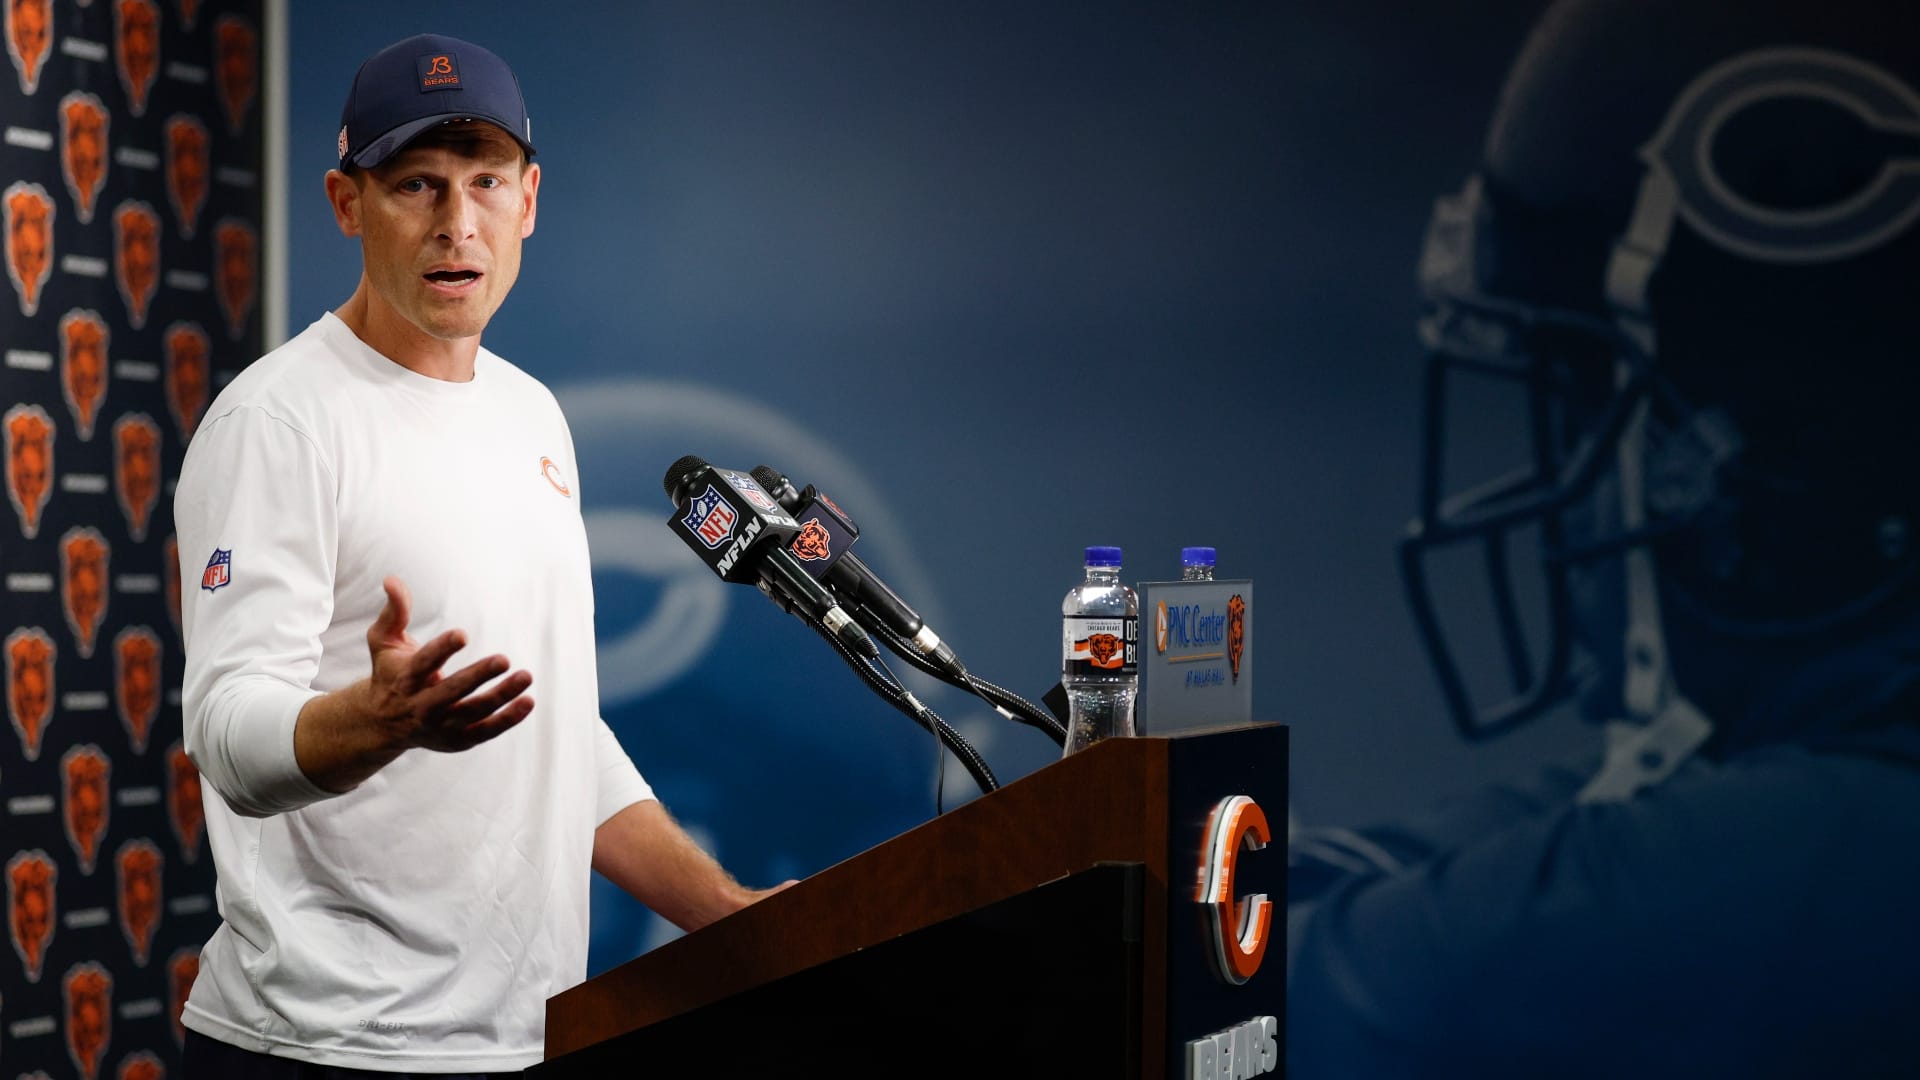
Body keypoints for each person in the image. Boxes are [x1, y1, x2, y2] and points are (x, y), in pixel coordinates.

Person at [1286, 0, 1920, 1075]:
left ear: (1764, 446)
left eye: (1591, 409)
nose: (1570, 493)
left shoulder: (1823, 857)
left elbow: (1204, 995)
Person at [174, 34, 781, 1076]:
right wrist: (371, 725)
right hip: (324, 1049)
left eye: (484, 182)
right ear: (344, 202)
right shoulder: (277, 423)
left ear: (529, 200)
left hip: (524, 1039)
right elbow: (227, 741)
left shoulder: (532, 417)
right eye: (415, 183)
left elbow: (557, 737)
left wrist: (718, 907)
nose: (457, 225)